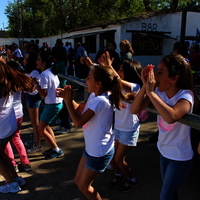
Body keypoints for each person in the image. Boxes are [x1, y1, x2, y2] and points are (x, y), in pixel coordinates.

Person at [130, 54, 195, 200]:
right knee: (171, 194)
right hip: (164, 151)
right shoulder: (159, 92)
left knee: (165, 197)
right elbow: (134, 109)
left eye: (160, 72)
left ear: (174, 78)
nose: (155, 76)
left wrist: (151, 92)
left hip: (180, 157)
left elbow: (171, 117)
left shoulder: (186, 96)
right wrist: (145, 85)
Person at [59, 64, 126, 200]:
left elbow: (78, 123)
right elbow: (78, 110)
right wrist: (69, 99)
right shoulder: (94, 96)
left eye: (89, 77)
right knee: (78, 182)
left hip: (99, 152)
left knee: (84, 187)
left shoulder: (100, 101)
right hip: (92, 149)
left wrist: (67, 102)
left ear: (98, 84)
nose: (85, 79)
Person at [0, 59, 32, 193]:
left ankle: (12, 184)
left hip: (2, 128)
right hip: (8, 126)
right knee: (2, 154)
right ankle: (16, 178)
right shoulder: (7, 81)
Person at [34, 51, 64, 159]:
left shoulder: (44, 74)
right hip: (55, 103)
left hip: (52, 104)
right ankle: (53, 147)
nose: (36, 61)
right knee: (45, 127)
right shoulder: (51, 71)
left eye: (38, 59)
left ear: (44, 63)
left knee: (41, 129)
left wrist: (35, 85)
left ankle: (57, 150)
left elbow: (43, 93)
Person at [4, 61, 31, 172]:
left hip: (9, 115)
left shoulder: (6, 82)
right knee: (16, 137)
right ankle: (25, 162)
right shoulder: (19, 80)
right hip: (20, 113)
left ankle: (12, 164)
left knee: (6, 141)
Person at [23, 51, 42, 153]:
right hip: (29, 97)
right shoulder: (28, 70)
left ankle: (38, 145)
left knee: (35, 123)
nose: (24, 60)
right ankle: (35, 140)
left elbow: (31, 89)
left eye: (26, 59)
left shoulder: (34, 72)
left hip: (33, 98)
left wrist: (22, 87)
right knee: (33, 122)